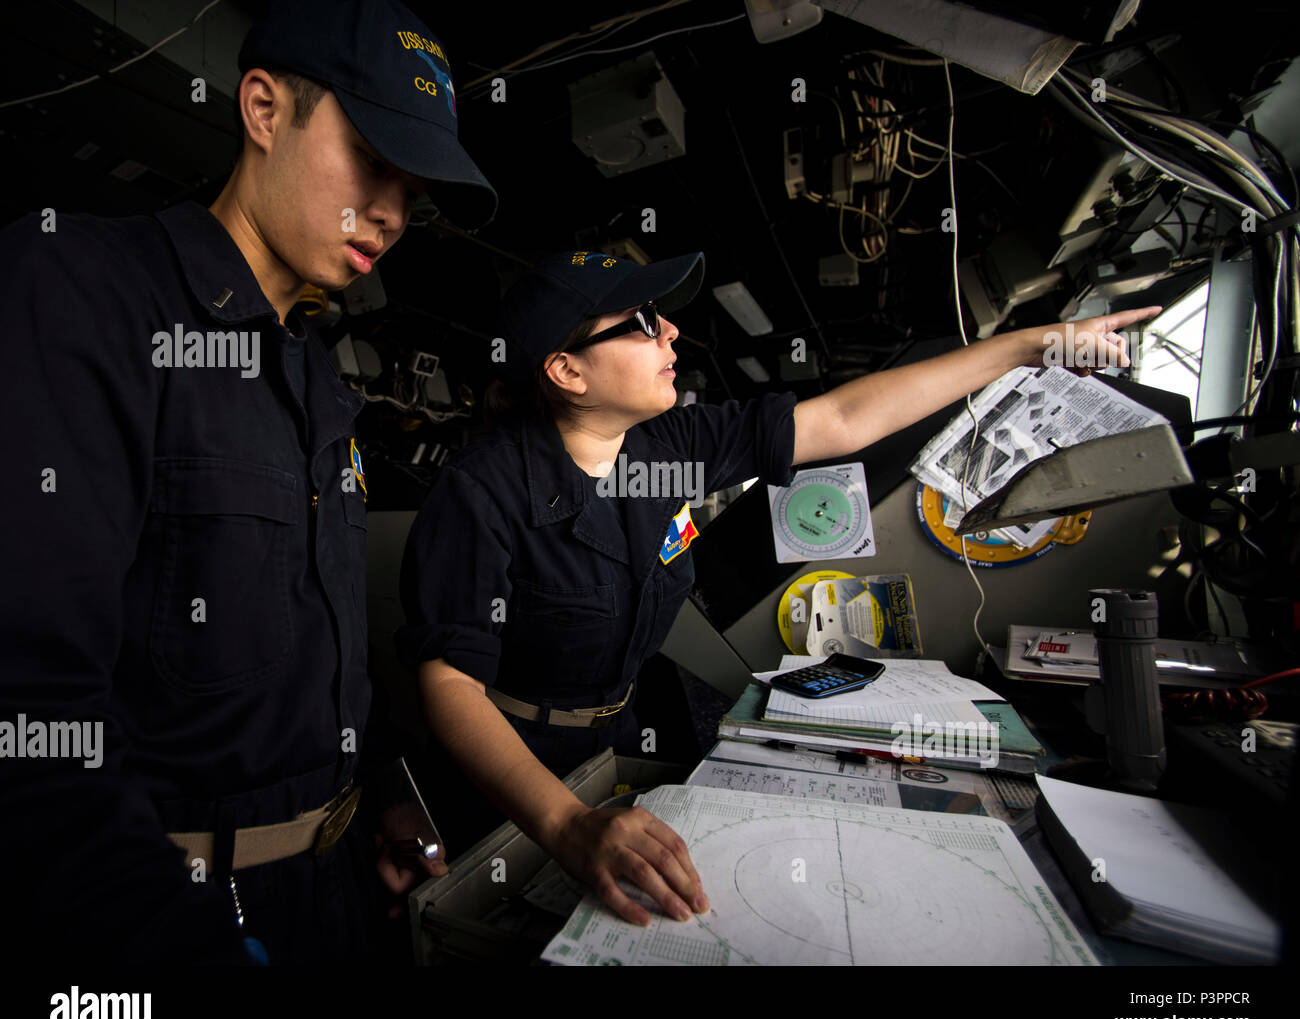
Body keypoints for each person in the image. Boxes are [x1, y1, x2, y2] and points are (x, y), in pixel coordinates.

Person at [397, 248, 1160, 927]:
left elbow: (846, 418)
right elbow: (450, 682)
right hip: (501, 773)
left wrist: (1027, 348)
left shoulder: (670, 445)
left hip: (613, 740)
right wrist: (564, 826)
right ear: (566, 371)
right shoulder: (483, 493)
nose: (672, 335)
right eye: (639, 324)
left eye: (662, 318)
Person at [0, 0, 495, 965]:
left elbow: (325, 637)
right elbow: (30, 708)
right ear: (265, 110)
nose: (393, 213)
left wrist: (381, 796)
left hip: (337, 889)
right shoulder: (80, 289)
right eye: (372, 158)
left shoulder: (317, 380)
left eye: (414, 187)